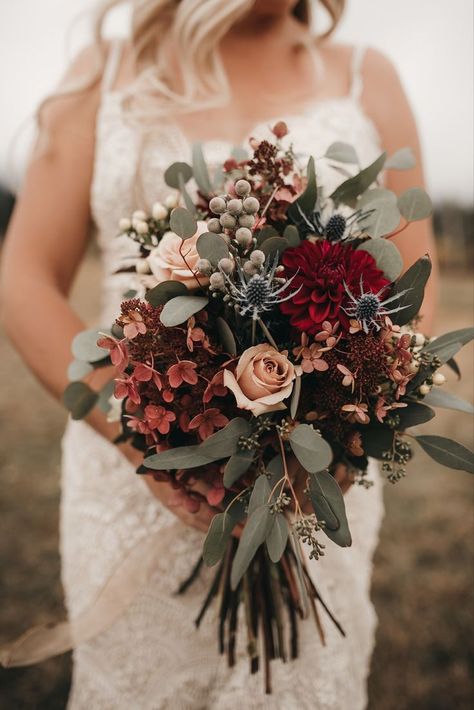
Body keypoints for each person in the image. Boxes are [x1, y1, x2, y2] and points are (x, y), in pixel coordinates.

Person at [0, 0, 437, 707]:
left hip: (309, 477)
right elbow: (25, 278)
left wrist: (328, 436)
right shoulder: (106, 72)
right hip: (135, 469)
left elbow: (413, 294)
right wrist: (142, 439)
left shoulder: (369, 77)